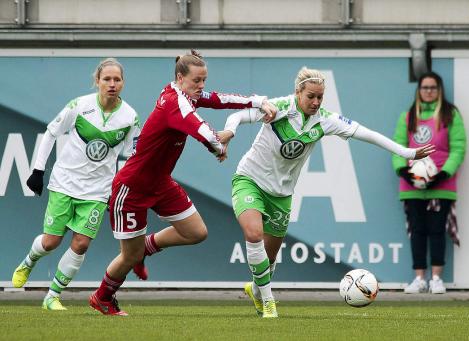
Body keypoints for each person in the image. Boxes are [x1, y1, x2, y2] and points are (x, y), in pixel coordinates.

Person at [219, 66, 435, 318]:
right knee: (254, 233)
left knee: (270, 255)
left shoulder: (324, 119)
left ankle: (256, 290)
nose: (316, 101)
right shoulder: (279, 107)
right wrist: (229, 133)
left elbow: (366, 133)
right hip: (250, 179)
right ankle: (268, 301)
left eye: (320, 97)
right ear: (298, 92)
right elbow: (240, 116)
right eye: (311, 96)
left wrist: (406, 152)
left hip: (282, 193)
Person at [88, 50, 277, 316]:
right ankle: (102, 297)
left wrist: (259, 102)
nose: (202, 87)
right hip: (132, 187)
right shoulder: (174, 103)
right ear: (180, 78)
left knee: (196, 232)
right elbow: (200, 129)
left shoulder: (187, 95)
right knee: (128, 256)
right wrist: (218, 146)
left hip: (160, 183)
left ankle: (143, 249)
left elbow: (221, 99)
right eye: (197, 81)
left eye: (204, 80)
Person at [11, 58, 141, 310]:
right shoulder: (80, 105)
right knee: (51, 242)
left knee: (81, 243)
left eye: (117, 80)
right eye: (107, 79)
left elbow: (133, 156)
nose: (112, 84)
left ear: (123, 83)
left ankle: (52, 296)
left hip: (97, 190)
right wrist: (37, 170)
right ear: (97, 81)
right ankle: (28, 261)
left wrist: (124, 185)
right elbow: (51, 132)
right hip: (64, 183)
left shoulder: (130, 118)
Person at [392, 72, 466, 295]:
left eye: (433, 87)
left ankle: (436, 278)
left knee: (436, 230)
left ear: (439, 89)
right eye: (425, 87)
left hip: (440, 186)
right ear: (419, 90)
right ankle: (419, 278)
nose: (429, 91)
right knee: (417, 231)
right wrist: (404, 171)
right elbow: (397, 145)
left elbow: (458, 147)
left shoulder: (450, 114)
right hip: (412, 188)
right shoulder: (408, 117)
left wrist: (443, 174)